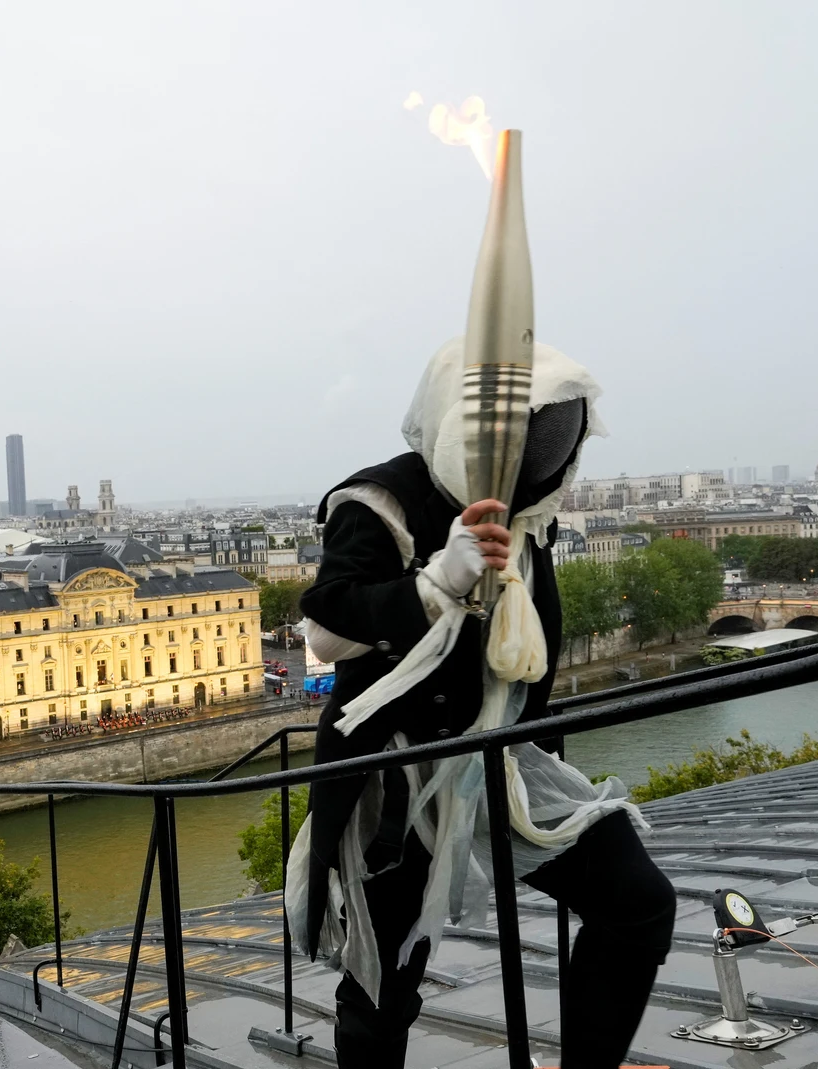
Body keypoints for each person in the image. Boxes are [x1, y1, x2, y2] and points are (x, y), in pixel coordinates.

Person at [287, 340, 675, 1069]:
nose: (539, 460)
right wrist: (437, 580)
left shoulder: (532, 518)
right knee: (381, 985)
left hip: (501, 758)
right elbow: (326, 630)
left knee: (638, 901)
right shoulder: (381, 501)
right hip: (395, 776)